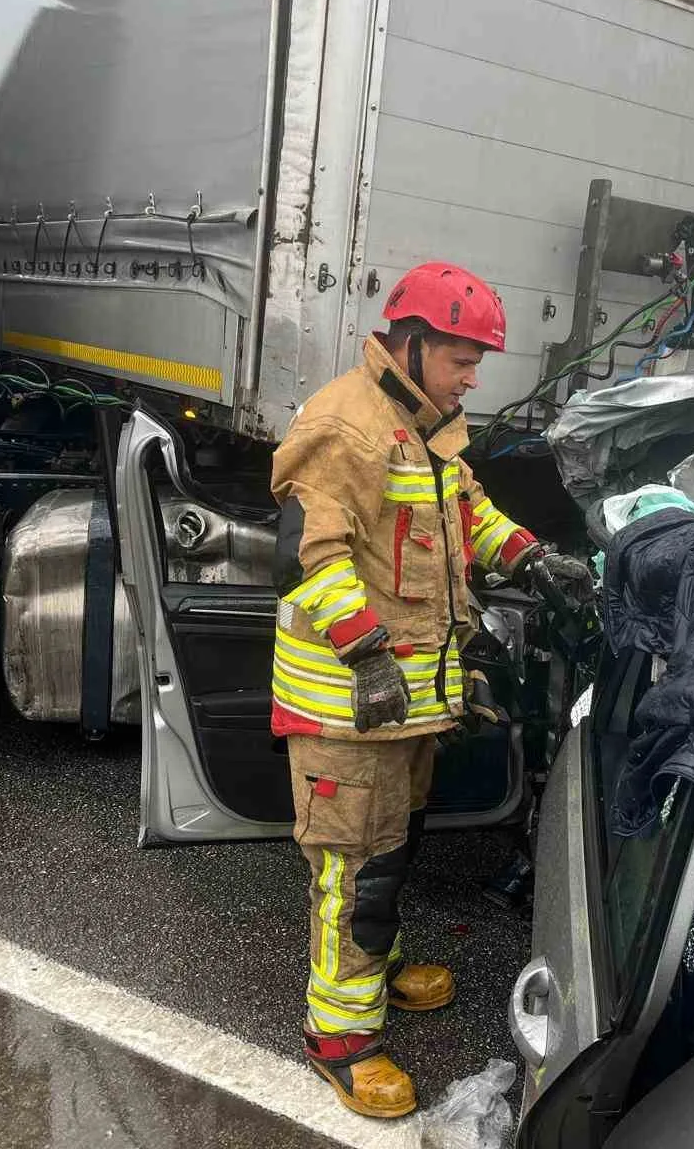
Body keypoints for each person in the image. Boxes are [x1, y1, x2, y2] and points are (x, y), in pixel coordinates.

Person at [269, 261, 591, 1118]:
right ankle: (340, 1039)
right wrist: (368, 656)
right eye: (462, 359)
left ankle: (378, 968)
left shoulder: (428, 426)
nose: (472, 378)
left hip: (406, 707)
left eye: (477, 362)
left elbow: (468, 514)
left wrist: (532, 557)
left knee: (393, 851)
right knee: (355, 875)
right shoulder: (346, 426)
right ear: (410, 345)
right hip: (350, 707)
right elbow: (308, 555)